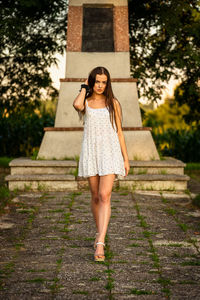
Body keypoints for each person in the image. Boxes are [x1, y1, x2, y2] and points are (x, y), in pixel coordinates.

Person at [73, 66, 130, 262]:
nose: (100, 85)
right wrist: (83, 87)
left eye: (103, 82)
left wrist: (126, 158)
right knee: (96, 196)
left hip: (110, 151)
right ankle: (99, 232)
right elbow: (76, 105)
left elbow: (120, 132)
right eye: (97, 81)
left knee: (105, 195)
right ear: (91, 82)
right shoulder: (86, 103)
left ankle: (100, 242)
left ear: (108, 83)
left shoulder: (113, 103)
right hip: (92, 151)